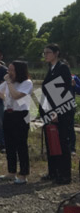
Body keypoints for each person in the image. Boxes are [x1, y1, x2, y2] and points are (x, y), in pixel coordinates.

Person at [40, 44, 74, 185]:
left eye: (48, 52)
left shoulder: (62, 68)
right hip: (49, 109)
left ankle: (64, 174)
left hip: (61, 111)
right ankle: (53, 171)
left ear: (56, 53)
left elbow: (63, 90)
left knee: (62, 143)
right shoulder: (51, 68)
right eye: (44, 53)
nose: (46, 55)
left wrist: (56, 111)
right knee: (51, 141)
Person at [0, 61, 33, 184]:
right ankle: (11, 171)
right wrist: (5, 98)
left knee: (21, 144)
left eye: (11, 70)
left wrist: (9, 83)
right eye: (8, 70)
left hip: (21, 115)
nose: (9, 73)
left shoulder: (26, 83)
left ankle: (23, 174)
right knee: (9, 144)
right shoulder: (9, 82)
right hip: (8, 114)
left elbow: (16, 95)